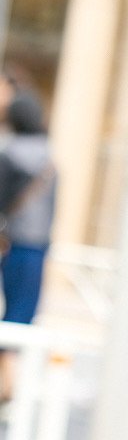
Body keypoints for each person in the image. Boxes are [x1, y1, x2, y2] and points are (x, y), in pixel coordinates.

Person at [0, 88, 57, 406]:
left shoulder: (10, 154)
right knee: (23, 313)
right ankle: (10, 382)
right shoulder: (49, 156)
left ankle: (7, 384)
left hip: (11, 242)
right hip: (37, 245)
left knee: (11, 315)